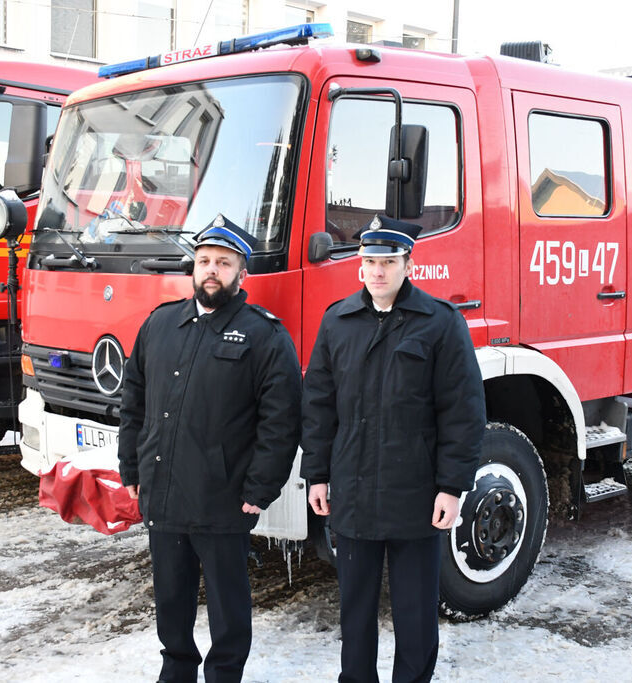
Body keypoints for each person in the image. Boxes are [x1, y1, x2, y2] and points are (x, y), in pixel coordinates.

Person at [301, 215, 486, 683]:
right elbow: (319, 407)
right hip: (354, 494)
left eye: (388, 262)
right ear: (359, 266)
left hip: (416, 497)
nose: (377, 271)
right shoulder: (337, 322)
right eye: (369, 262)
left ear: (408, 264)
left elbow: (462, 411)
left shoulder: (440, 324)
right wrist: (317, 473)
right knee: (356, 614)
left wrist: (451, 487)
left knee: (415, 615)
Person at [118, 214, 302, 683]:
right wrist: (131, 468)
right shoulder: (160, 325)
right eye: (204, 261)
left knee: (228, 609)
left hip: (223, 498)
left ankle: (224, 676)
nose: (212, 270)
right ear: (192, 269)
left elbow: (280, 423)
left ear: (242, 272)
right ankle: (176, 671)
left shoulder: (264, 335)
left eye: (223, 262)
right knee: (171, 601)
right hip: (163, 493)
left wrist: (260, 490)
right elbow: (133, 402)